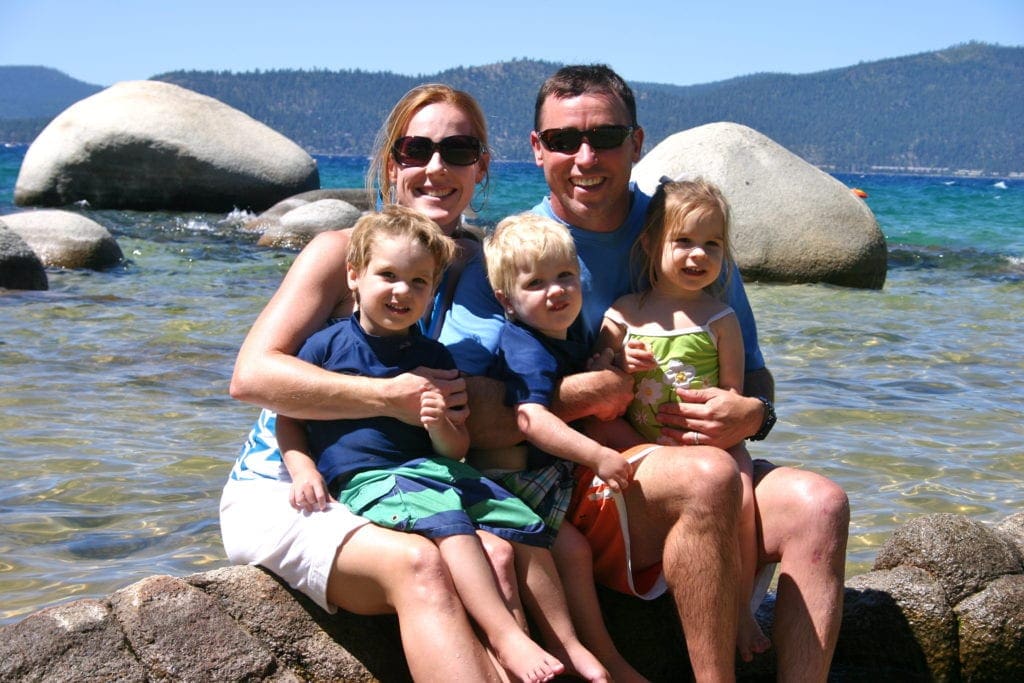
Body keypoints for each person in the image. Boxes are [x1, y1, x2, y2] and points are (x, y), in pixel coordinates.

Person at [523, 64, 850, 682]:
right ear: (537, 149)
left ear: (638, 143)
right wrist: (598, 387)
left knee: (820, 505)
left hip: (701, 465)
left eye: (607, 137)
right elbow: (495, 405)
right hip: (589, 483)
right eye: (565, 139)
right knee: (706, 475)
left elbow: (754, 375)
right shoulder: (521, 249)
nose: (585, 157)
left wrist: (757, 413)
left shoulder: (689, 227)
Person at [222, 84, 519, 682]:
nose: (436, 167)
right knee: (419, 566)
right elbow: (251, 377)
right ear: (392, 164)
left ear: (482, 166)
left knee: (502, 553)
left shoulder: (488, 270)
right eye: (417, 150)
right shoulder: (339, 255)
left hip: (411, 482)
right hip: (295, 482)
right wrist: (389, 396)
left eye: (458, 150)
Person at [276, 205, 609, 683]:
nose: (402, 291)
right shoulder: (326, 347)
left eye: (419, 282)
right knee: (450, 523)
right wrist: (304, 470)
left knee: (523, 520)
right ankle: (505, 637)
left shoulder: (434, 355)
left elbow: (454, 450)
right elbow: (289, 418)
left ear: (433, 290)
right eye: (388, 275)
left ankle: (566, 643)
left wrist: (438, 425)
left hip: (432, 469)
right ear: (354, 275)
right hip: (369, 478)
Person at [594, 178, 769, 661]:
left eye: (712, 244)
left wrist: (732, 418)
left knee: (742, 493)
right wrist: (618, 362)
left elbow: (733, 396)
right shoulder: (625, 313)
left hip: (708, 446)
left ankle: (740, 608)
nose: (699, 255)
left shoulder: (720, 318)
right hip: (644, 445)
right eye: (684, 241)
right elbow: (599, 375)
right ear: (651, 244)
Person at [479, 212, 647, 682]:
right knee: (564, 550)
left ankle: (595, 652)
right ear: (506, 301)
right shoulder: (524, 348)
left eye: (565, 276)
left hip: (540, 481)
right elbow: (530, 419)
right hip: (509, 484)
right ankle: (574, 648)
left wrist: (608, 359)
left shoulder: (564, 331)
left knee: (572, 550)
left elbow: (581, 371)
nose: (556, 291)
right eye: (536, 284)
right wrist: (596, 456)